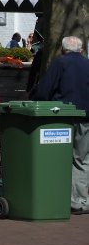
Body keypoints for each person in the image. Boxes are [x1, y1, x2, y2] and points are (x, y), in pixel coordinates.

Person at [35, 36, 89, 215]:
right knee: (81, 159)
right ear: (81, 50)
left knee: (57, 157)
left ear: (63, 50)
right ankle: (79, 200)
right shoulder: (87, 64)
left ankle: (55, 196)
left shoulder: (60, 63)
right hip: (85, 117)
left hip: (62, 116)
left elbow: (44, 90)